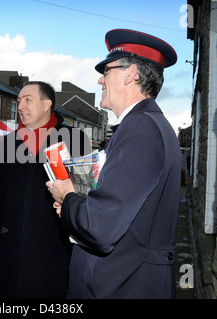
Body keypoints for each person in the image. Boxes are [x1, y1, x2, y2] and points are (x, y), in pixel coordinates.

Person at [47, 29, 182, 299]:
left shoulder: (141, 127)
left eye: (106, 71)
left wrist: (68, 196)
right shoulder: (142, 125)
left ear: (131, 74)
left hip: (123, 285)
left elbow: (99, 228)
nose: (100, 79)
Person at [0, 81, 91, 298]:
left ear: (46, 104)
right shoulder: (7, 143)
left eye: (28, 99)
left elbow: (86, 192)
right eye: (19, 101)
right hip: (12, 246)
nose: (21, 106)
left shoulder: (75, 139)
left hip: (56, 246)